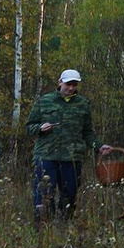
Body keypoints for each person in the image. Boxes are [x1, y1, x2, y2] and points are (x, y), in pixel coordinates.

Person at [26, 69, 112, 223]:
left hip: (71, 158)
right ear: (60, 82)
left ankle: (64, 229)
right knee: (44, 195)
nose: (71, 88)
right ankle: (43, 231)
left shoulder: (83, 104)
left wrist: (98, 146)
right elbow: (29, 127)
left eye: (75, 84)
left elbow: (87, 133)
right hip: (46, 156)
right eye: (68, 84)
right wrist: (40, 128)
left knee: (70, 195)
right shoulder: (44, 101)